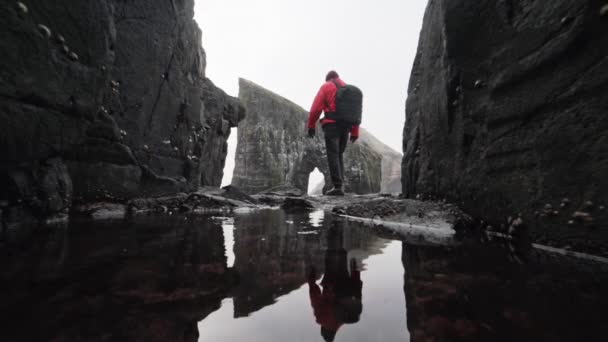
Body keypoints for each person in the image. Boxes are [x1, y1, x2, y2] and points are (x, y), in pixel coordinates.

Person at [307, 70, 360, 196]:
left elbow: (316, 108)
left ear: (328, 78)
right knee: (339, 155)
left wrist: (311, 125)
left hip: (332, 125)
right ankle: (341, 186)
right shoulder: (348, 89)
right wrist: (355, 131)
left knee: (333, 155)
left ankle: (337, 187)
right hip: (346, 127)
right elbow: (355, 112)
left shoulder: (326, 86)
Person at [307, 224, 363, 342]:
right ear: (323, 329)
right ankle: (335, 224)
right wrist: (311, 281)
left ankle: (339, 226)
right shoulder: (322, 319)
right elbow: (315, 298)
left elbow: (355, 293)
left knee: (340, 252)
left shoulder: (344, 318)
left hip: (345, 279)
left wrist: (355, 272)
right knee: (332, 251)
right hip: (331, 282)